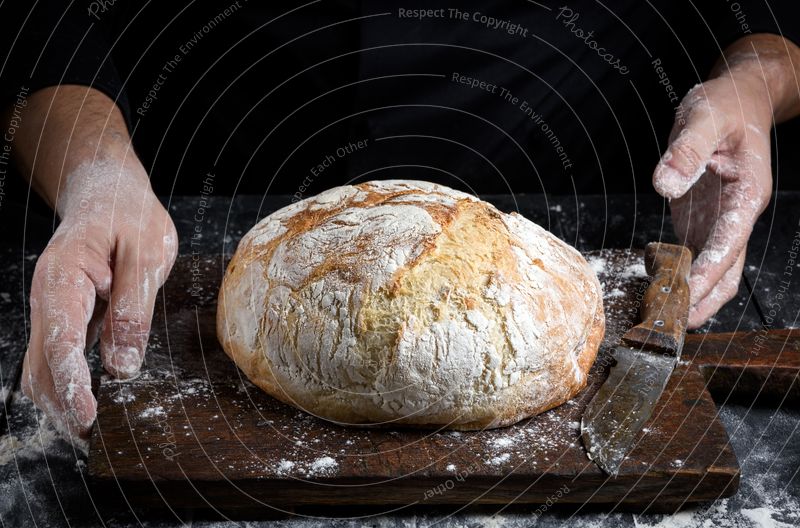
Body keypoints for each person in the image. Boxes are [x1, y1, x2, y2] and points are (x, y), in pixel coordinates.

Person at [2, 1, 798, 447]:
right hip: (208, 183)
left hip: (578, 187)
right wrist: (95, 171)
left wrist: (755, 87)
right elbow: (41, 17)